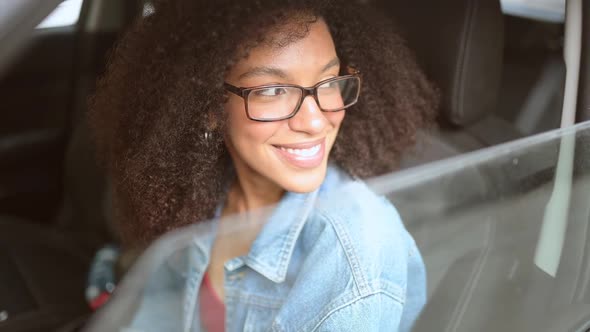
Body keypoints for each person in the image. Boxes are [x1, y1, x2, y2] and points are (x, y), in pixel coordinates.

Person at [88, 0, 439, 330]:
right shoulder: (204, 194)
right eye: (273, 91)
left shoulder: (355, 249)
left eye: (328, 82)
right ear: (210, 108)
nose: (315, 122)